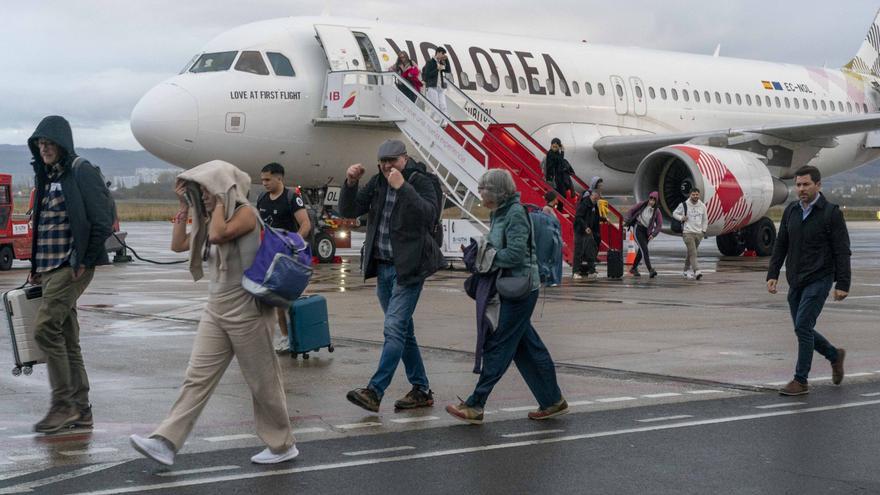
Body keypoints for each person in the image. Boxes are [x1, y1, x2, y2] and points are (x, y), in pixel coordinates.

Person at [130, 160, 297, 466]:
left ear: (224, 189)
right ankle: (166, 441)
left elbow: (219, 235)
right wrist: (185, 207)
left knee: (263, 382)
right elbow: (178, 244)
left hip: (248, 310)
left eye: (207, 189)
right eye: (201, 191)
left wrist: (219, 200)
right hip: (217, 307)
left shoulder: (246, 213)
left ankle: (282, 444)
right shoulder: (210, 217)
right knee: (196, 377)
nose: (203, 196)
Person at [446, 169, 568, 424]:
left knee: (500, 345)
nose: (480, 194)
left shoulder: (514, 215)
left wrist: (484, 257)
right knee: (527, 348)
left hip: (520, 289)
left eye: (483, 190)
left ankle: (476, 404)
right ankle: (553, 400)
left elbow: (514, 254)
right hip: (511, 287)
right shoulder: (500, 213)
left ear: (497, 192)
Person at [339, 139, 443, 412]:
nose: (387, 166)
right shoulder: (378, 182)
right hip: (383, 267)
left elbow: (430, 215)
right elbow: (348, 211)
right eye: (383, 162)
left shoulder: (421, 181)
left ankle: (374, 391)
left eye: (392, 161)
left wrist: (403, 187)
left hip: (409, 268)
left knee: (394, 328)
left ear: (404, 159)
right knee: (403, 331)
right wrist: (350, 183)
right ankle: (421, 389)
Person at [27, 116, 114, 433]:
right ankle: (81, 409)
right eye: (40, 143)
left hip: (70, 266)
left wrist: (85, 260)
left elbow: (102, 220)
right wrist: (36, 267)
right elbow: (44, 223)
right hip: (48, 267)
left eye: (50, 142)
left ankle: (63, 405)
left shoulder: (80, 170)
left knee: (44, 330)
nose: (44, 148)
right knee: (66, 338)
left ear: (63, 143)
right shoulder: (47, 174)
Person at [767, 165, 849, 396]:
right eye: (798, 185)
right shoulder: (791, 211)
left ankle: (800, 380)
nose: (801, 189)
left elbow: (842, 250)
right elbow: (781, 244)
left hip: (820, 278)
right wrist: (773, 273)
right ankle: (834, 355)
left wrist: (843, 284)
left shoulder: (831, 213)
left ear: (818, 185)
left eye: (806, 184)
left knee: (803, 326)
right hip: (796, 279)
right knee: (802, 328)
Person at [256, 162, 312, 353]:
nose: (264, 183)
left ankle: (289, 337)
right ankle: (280, 336)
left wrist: (293, 243)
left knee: (283, 300)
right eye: (262, 180)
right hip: (267, 256)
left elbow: (305, 224)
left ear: (279, 178)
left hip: (286, 258)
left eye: (268, 179)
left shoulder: (291, 198)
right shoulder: (262, 198)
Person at [625, 191, 662, 278]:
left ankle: (633, 268)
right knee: (644, 250)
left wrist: (653, 234)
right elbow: (631, 211)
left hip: (647, 232)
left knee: (641, 252)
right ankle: (650, 270)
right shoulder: (642, 204)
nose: (651, 201)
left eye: (654, 200)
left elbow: (659, 225)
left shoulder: (657, 211)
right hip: (638, 228)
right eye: (650, 199)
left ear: (656, 201)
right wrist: (626, 219)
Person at [672, 188, 708, 280]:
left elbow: (705, 220)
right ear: (690, 195)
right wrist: (681, 218)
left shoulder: (702, 206)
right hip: (687, 232)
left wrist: (703, 231)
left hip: (699, 233)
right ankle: (697, 271)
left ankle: (686, 270)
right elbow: (674, 213)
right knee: (693, 253)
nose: (695, 196)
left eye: (697, 194)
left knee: (690, 253)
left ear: (699, 195)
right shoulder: (684, 204)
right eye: (693, 194)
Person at [572, 189, 601, 279]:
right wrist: (585, 227)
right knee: (579, 251)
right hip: (580, 230)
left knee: (590, 251)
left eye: (597, 198)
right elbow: (578, 217)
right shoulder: (584, 204)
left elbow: (596, 217)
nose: (596, 200)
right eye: (595, 198)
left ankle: (591, 271)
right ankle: (575, 272)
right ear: (591, 196)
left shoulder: (594, 205)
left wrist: (603, 220)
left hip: (589, 231)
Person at [542, 138, 574, 204]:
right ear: (551, 146)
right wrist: (562, 151)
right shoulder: (550, 154)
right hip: (552, 179)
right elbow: (559, 161)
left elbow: (560, 161)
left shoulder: (557, 155)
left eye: (556, 147)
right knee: (556, 197)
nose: (554, 148)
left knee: (561, 196)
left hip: (558, 179)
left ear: (559, 147)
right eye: (553, 146)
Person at [422, 46, 451, 114]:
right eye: (442, 53)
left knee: (443, 106)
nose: (443, 55)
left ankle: (444, 120)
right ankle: (435, 119)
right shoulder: (430, 62)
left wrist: (446, 60)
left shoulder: (440, 63)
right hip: (432, 87)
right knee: (435, 106)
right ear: (438, 52)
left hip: (440, 88)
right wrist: (437, 69)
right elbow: (427, 75)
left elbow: (448, 70)